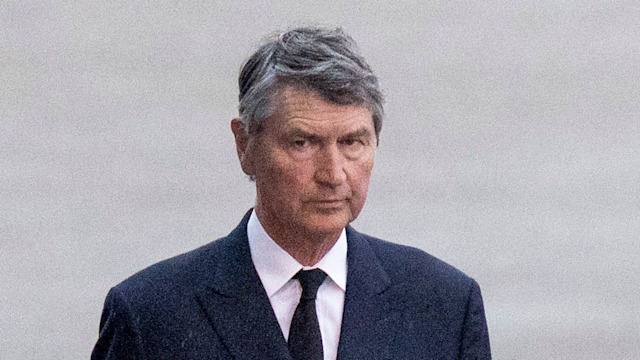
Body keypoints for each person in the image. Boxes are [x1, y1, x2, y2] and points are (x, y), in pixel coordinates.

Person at [91, 26, 491, 360]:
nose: (333, 174)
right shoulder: (150, 315)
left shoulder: (445, 306)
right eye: (303, 143)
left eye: (353, 142)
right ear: (245, 144)